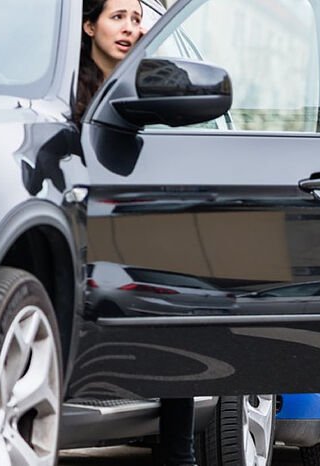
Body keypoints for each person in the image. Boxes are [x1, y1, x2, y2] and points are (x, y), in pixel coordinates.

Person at [76, 1, 198, 465]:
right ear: (90, 26)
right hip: (80, 227)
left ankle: (178, 453)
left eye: (135, 18)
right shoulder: (61, 88)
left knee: (179, 299)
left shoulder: (153, 85)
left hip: (141, 229)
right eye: (117, 17)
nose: (131, 27)